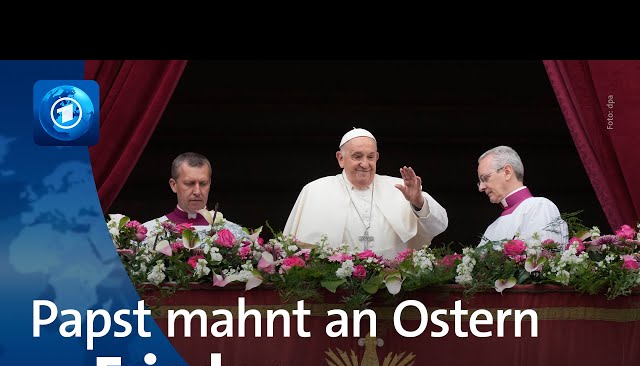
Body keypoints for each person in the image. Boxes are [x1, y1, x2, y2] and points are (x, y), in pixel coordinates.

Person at [283, 127, 448, 259]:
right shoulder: (316, 190)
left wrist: (418, 203)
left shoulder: (400, 188)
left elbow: (439, 226)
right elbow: (290, 249)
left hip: (394, 288)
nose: (365, 163)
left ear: (377, 157)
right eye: (357, 156)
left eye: (370, 157)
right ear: (340, 158)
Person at [476, 145, 568, 247]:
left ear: (507, 172)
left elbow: (545, 259)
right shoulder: (491, 228)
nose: (481, 187)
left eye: (485, 178)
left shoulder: (539, 206)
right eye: (480, 182)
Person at [142, 151, 245, 241]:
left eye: (203, 183)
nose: (197, 191)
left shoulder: (234, 234)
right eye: (189, 183)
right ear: (174, 185)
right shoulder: (150, 232)